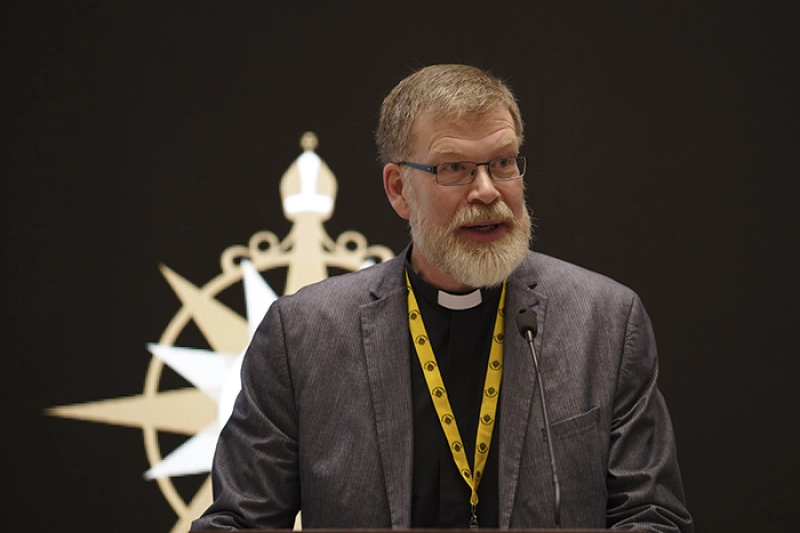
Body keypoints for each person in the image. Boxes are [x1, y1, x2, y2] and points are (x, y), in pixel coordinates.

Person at [191, 64, 693, 531]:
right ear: (398, 189)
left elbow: (651, 515)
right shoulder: (302, 336)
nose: (487, 191)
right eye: (454, 168)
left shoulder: (605, 322)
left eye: (503, 163)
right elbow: (239, 521)